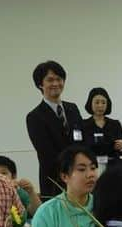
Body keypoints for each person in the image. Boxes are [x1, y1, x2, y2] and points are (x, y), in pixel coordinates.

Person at [27, 146, 98, 227]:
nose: (90, 174)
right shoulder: (47, 212)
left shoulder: (103, 207)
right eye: (82, 169)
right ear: (64, 176)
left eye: (93, 168)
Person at [25, 60, 83, 196]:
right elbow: (47, 155)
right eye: (50, 80)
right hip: (55, 182)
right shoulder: (35, 117)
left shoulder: (72, 109)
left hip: (80, 180)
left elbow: (82, 141)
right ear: (40, 84)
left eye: (59, 79)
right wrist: (72, 172)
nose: (56, 83)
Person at [79, 87, 122, 162]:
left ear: (107, 104)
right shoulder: (82, 125)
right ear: (90, 103)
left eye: (103, 102)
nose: (100, 106)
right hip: (90, 166)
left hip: (113, 167)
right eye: (97, 102)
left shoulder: (115, 124)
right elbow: (79, 150)